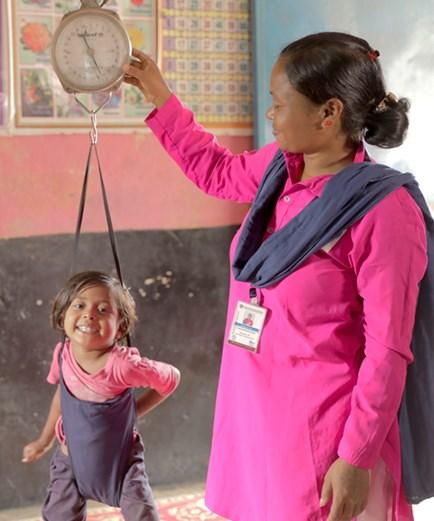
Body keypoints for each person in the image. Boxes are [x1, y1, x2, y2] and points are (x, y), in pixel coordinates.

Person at [123, 32, 428, 521]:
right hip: (254, 417)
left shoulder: (383, 211)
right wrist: (158, 92)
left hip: (324, 434)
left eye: (279, 104)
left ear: (327, 114)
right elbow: (217, 171)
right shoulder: (280, 171)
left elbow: (388, 351)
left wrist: (355, 458)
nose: (271, 115)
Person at [22, 271, 181, 521]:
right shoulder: (62, 354)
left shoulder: (123, 365)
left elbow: (171, 379)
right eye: (79, 305)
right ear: (63, 315)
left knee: (143, 515)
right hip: (70, 459)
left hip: (120, 466)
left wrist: (133, 412)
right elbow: (62, 395)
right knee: (57, 515)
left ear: (121, 328)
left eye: (104, 309)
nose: (89, 314)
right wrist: (44, 440)